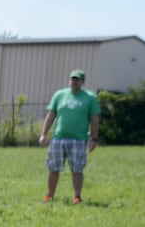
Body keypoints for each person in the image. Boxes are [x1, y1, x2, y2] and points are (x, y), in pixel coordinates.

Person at [39, 69, 101, 204]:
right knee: (53, 168)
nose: (74, 82)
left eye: (77, 79)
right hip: (58, 138)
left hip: (78, 139)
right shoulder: (59, 95)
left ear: (82, 82)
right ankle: (50, 195)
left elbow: (95, 119)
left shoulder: (89, 98)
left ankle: (77, 197)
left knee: (77, 169)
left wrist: (94, 139)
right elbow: (50, 116)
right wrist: (43, 134)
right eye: (72, 79)